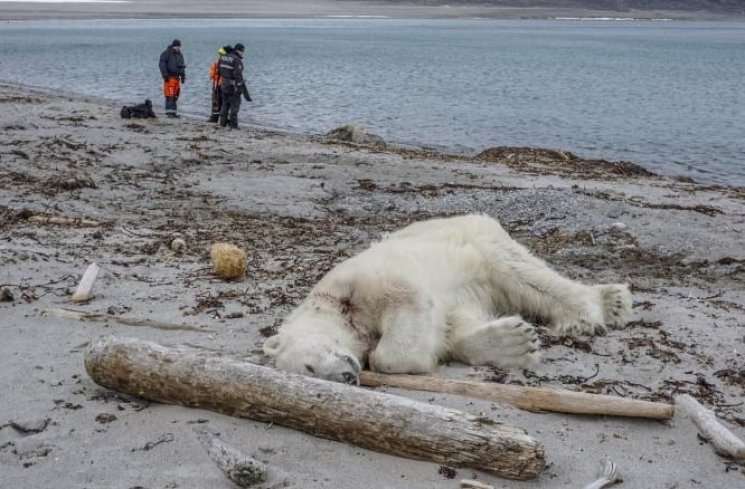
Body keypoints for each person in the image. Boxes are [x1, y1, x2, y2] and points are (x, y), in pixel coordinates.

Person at [218, 42, 252, 129]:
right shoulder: (236, 60)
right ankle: (233, 125)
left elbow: (219, 70)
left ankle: (222, 123)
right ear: (238, 50)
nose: (242, 53)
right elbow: (238, 75)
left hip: (223, 84)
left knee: (225, 104)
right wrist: (240, 87)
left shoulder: (223, 57)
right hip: (232, 87)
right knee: (235, 105)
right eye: (242, 51)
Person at [158, 39, 186, 118]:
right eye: (177, 46)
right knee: (169, 95)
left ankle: (173, 112)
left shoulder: (180, 55)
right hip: (169, 78)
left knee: (175, 96)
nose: (178, 48)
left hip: (177, 79)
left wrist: (183, 76)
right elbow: (162, 64)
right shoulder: (167, 53)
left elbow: (182, 66)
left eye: (179, 46)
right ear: (173, 46)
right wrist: (165, 75)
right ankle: (169, 113)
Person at [208, 45, 232, 123]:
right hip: (223, 85)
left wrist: (214, 77)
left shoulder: (218, 62)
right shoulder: (228, 62)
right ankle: (222, 119)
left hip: (218, 84)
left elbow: (211, 75)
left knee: (217, 102)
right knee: (224, 102)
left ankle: (215, 118)